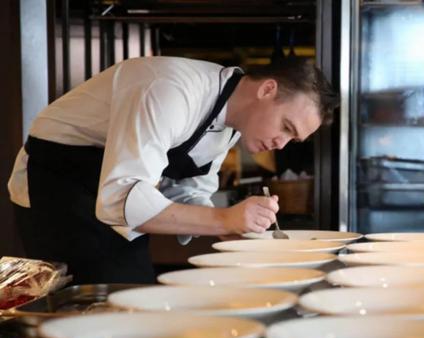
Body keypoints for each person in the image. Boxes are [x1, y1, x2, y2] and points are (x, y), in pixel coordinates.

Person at [7, 56, 338, 285]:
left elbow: (187, 190)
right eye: (286, 127)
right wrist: (224, 219)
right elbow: (120, 199)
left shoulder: (232, 121)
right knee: (93, 311)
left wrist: (231, 230)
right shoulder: (169, 90)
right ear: (268, 90)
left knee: (130, 297)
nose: (282, 143)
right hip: (60, 185)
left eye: (292, 139)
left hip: (115, 198)